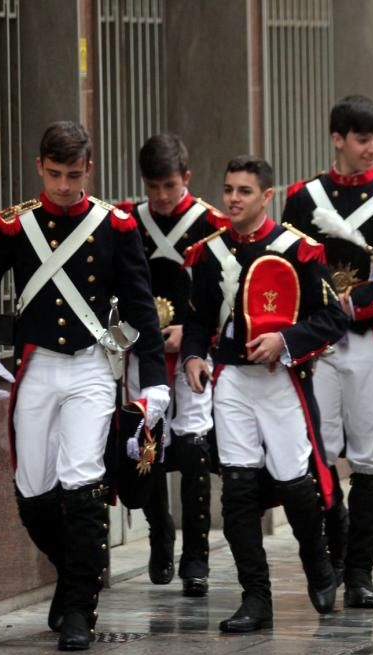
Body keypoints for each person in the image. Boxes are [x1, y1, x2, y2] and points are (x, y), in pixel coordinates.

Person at [0, 120, 169, 651]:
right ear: (39, 168)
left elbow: (142, 311)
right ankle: (78, 574)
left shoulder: (114, 226)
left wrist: (157, 384)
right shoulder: (15, 226)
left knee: (82, 480)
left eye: (73, 175)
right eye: (54, 174)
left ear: (88, 169)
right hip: (36, 369)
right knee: (32, 491)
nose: (63, 185)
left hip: (90, 368)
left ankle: (79, 607)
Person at [182, 155, 349, 632]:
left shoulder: (299, 251)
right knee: (237, 489)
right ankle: (256, 599)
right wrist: (194, 357)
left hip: (280, 381)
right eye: (229, 189)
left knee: (296, 482)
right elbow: (197, 320)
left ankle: (319, 567)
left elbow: (333, 319)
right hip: (230, 380)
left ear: (267, 197)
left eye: (245, 191)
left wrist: (286, 342)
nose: (233, 199)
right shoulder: (209, 253)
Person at [280, 94, 373, 608]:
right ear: (338, 138)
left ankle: (360, 572)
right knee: (318, 455)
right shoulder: (302, 199)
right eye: (363, 139)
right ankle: (336, 553)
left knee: (370, 460)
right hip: (318, 348)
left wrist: (358, 303)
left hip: (369, 345)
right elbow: (287, 270)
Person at [114, 134, 225, 596]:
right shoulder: (125, 222)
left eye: (171, 185)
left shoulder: (212, 224)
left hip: (194, 355)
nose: (161, 196)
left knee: (195, 450)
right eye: (153, 186)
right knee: (149, 449)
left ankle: (196, 558)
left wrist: (197, 333)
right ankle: (161, 536)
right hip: (145, 354)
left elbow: (229, 296)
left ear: (188, 178)